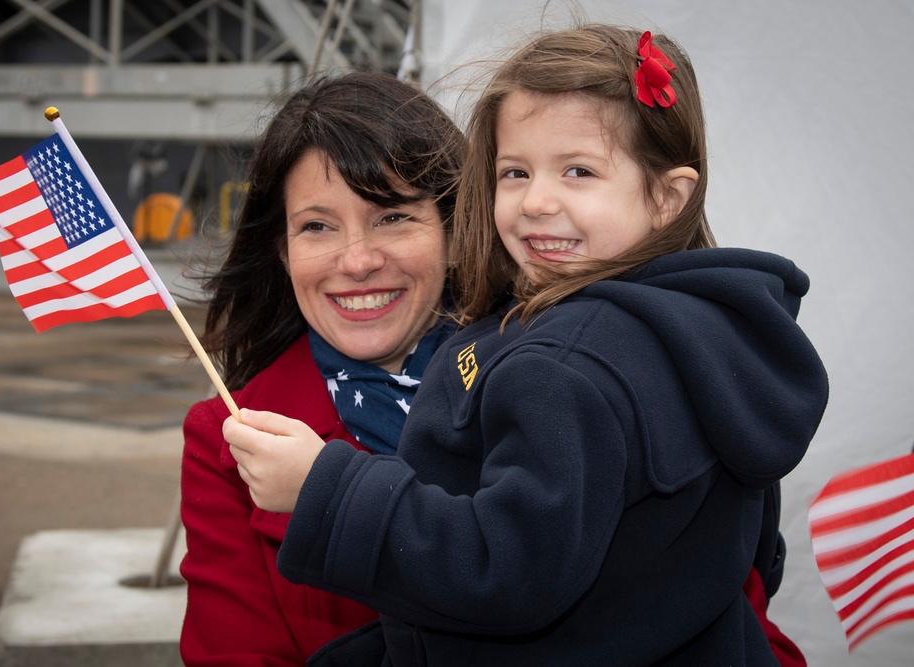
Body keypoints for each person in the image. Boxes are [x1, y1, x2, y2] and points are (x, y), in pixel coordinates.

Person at [224, 23, 829, 665]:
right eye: (515, 172)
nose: (537, 201)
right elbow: (753, 544)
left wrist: (329, 489)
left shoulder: (562, 366)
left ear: (666, 197)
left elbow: (505, 569)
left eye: (578, 170)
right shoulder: (707, 336)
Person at [178, 70, 464, 665]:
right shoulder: (226, 437)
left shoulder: (539, 381)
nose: (357, 261)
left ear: (455, 231)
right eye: (317, 226)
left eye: (392, 216)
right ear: (283, 252)